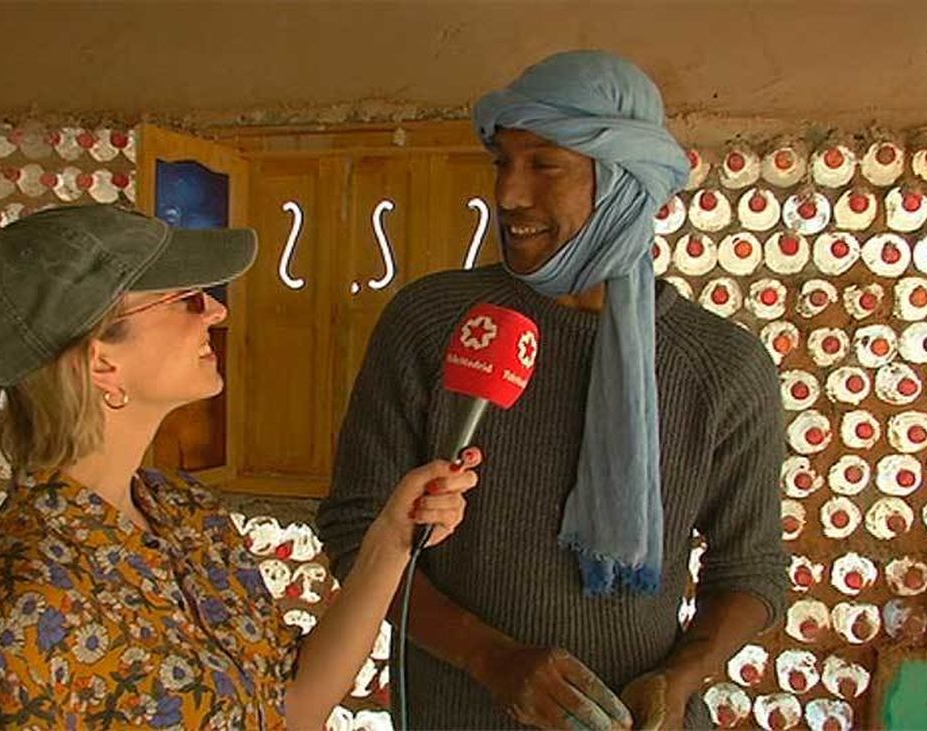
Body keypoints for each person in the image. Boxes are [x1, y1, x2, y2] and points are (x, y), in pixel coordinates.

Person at [317, 50, 787, 729]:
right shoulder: (434, 322)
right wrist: (488, 657)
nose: (508, 195)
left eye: (544, 166)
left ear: (624, 183)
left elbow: (751, 569)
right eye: (502, 163)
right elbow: (355, 528)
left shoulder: (721, 365)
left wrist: (680, 678)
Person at [0, 204, 482, 730]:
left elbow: (290, 708)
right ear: (102, 361)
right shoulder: (14, 603)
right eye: (186, 299)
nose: (217, 311)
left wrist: (390, 540)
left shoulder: (185, 512)